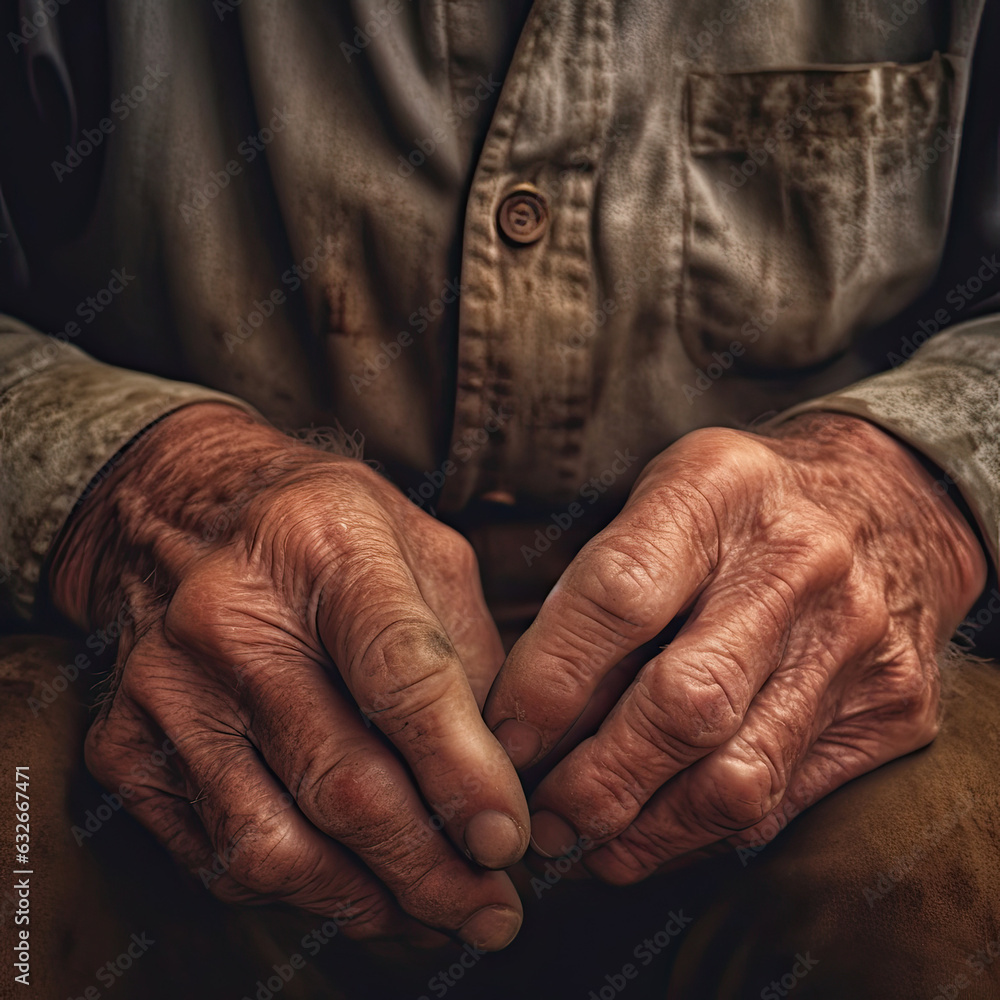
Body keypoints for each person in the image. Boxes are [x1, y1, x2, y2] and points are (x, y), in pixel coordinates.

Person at [1, 1, 999, 996]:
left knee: (942, 877)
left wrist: (907, 495)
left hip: (809, 708)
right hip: (161, 681)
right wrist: (132, 495)